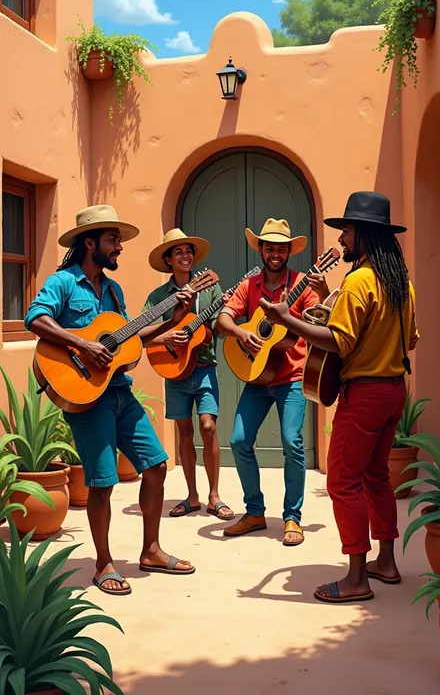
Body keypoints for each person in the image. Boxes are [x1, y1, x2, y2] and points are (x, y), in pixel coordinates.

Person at [24, 205, 197, 596]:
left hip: (120, 392)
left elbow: (126, 338)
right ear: (90, 242)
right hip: (86, 397)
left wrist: (172, 320)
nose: (120, 246)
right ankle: (103, 563)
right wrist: (83, 344)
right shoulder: (63, 282)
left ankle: (150, 550)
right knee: (101, 483)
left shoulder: (114, 290)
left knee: (156, 467)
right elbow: (35, 319)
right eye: (113, 239)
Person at [260, 191, 420, 602]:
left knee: (343, 482)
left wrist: (287, 319)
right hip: (394, 391)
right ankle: (385, 561)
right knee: (376, 475)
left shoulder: (360, 280)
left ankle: (355, 578)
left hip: (363, 393)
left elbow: (338, 341)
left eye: (347, 231)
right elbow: (411, 338)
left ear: (363, 234)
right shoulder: (400, 280)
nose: (343, 239)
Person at [216, 218, 321, 546]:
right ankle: (255, 512)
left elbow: (321, 321)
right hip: (257, 377)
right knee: (237, 441)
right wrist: (241, 332)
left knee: (291, 443)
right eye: (269, 247)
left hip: (291, 377)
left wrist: (311, 301)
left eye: (281, 247)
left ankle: (292, 518)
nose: (275, 253)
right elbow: (222, 320)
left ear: (290, 251)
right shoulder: (250, 287)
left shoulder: (302, 284)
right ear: (260, 249)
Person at [142, 228, 234, 520]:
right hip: (175, 370)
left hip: (205, 366)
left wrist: (223, 313)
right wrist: (168, 337)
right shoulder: (158, 296)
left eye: (189, 251)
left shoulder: (210, 289)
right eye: (178, 251)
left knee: (208, 426)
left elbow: (221, 323)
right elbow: (141, 335)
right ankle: (192, 496)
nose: (186, 255)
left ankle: (214, 496)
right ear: (168, 260)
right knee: (184, 432)